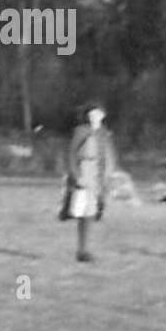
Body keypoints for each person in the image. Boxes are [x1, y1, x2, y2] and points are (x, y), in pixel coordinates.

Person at [63, 101, 118, 262]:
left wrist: (108, 175)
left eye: (98, 113)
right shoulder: (81, 131)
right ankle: (81, 248)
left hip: (97, 174)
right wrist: (76, 175)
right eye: (92, 114)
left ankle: (84, 250)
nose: (95, 117)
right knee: (80, 210)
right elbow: (72, 154)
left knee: (90, 211)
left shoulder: (104, 133)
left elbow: (108, 155)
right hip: (83, 170)